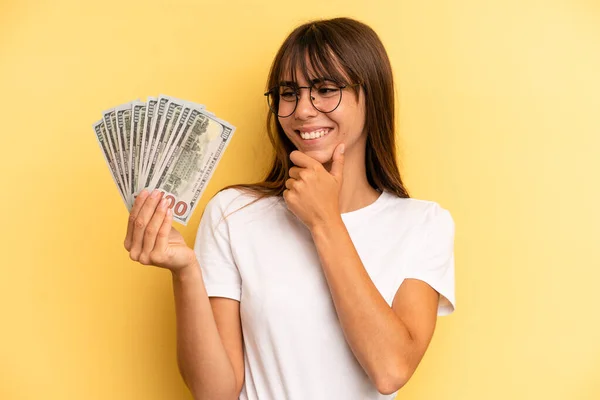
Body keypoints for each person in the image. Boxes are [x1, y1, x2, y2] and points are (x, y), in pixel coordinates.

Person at [123, 17, 455, 400]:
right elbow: (215, 393)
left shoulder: (423, 224)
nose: (302, 110)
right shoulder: (233, 214)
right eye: (288, 93)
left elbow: (390, 369)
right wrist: (185, 273)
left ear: (373, 94)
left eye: (326, 89)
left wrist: (324, 220)